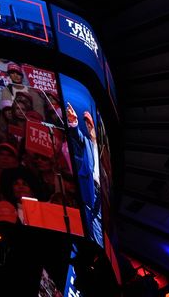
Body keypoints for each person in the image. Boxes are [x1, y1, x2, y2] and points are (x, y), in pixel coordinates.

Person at [67, 103, 103, 247]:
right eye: (87, 125)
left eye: (91, 125)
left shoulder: (104, 152)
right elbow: (77, 135)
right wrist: (73, 121)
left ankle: (98, 245)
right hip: (89, 185)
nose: (89, 128)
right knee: (88, 215)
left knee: (98, 220)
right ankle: (88, 244)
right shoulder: (87, 142)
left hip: (101, 191)